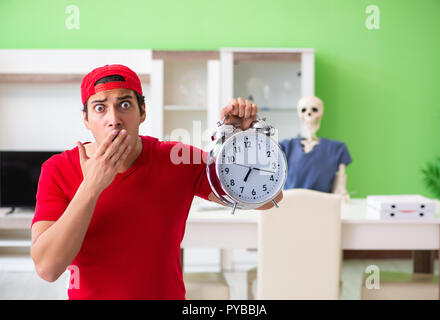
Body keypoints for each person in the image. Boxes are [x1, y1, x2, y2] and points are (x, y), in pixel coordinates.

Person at [30, 64, 283, 300]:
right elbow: (47, 269)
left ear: (143, 112)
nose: (114, 118)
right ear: (86, 119)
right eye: (100, 108)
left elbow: (269, 199)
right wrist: (91, 188)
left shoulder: (178, 158)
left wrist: (239, 145)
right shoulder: (57, 170)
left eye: (125, 105)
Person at [279, 96, 352, 199]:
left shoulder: (337, 148)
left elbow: (341, 187)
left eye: (314, 110)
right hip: (290, 205)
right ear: (300, 114)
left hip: (322, 207)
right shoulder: (286, 147)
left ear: (320, 114)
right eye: (304, 110)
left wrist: (341, 193)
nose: (309, 114)